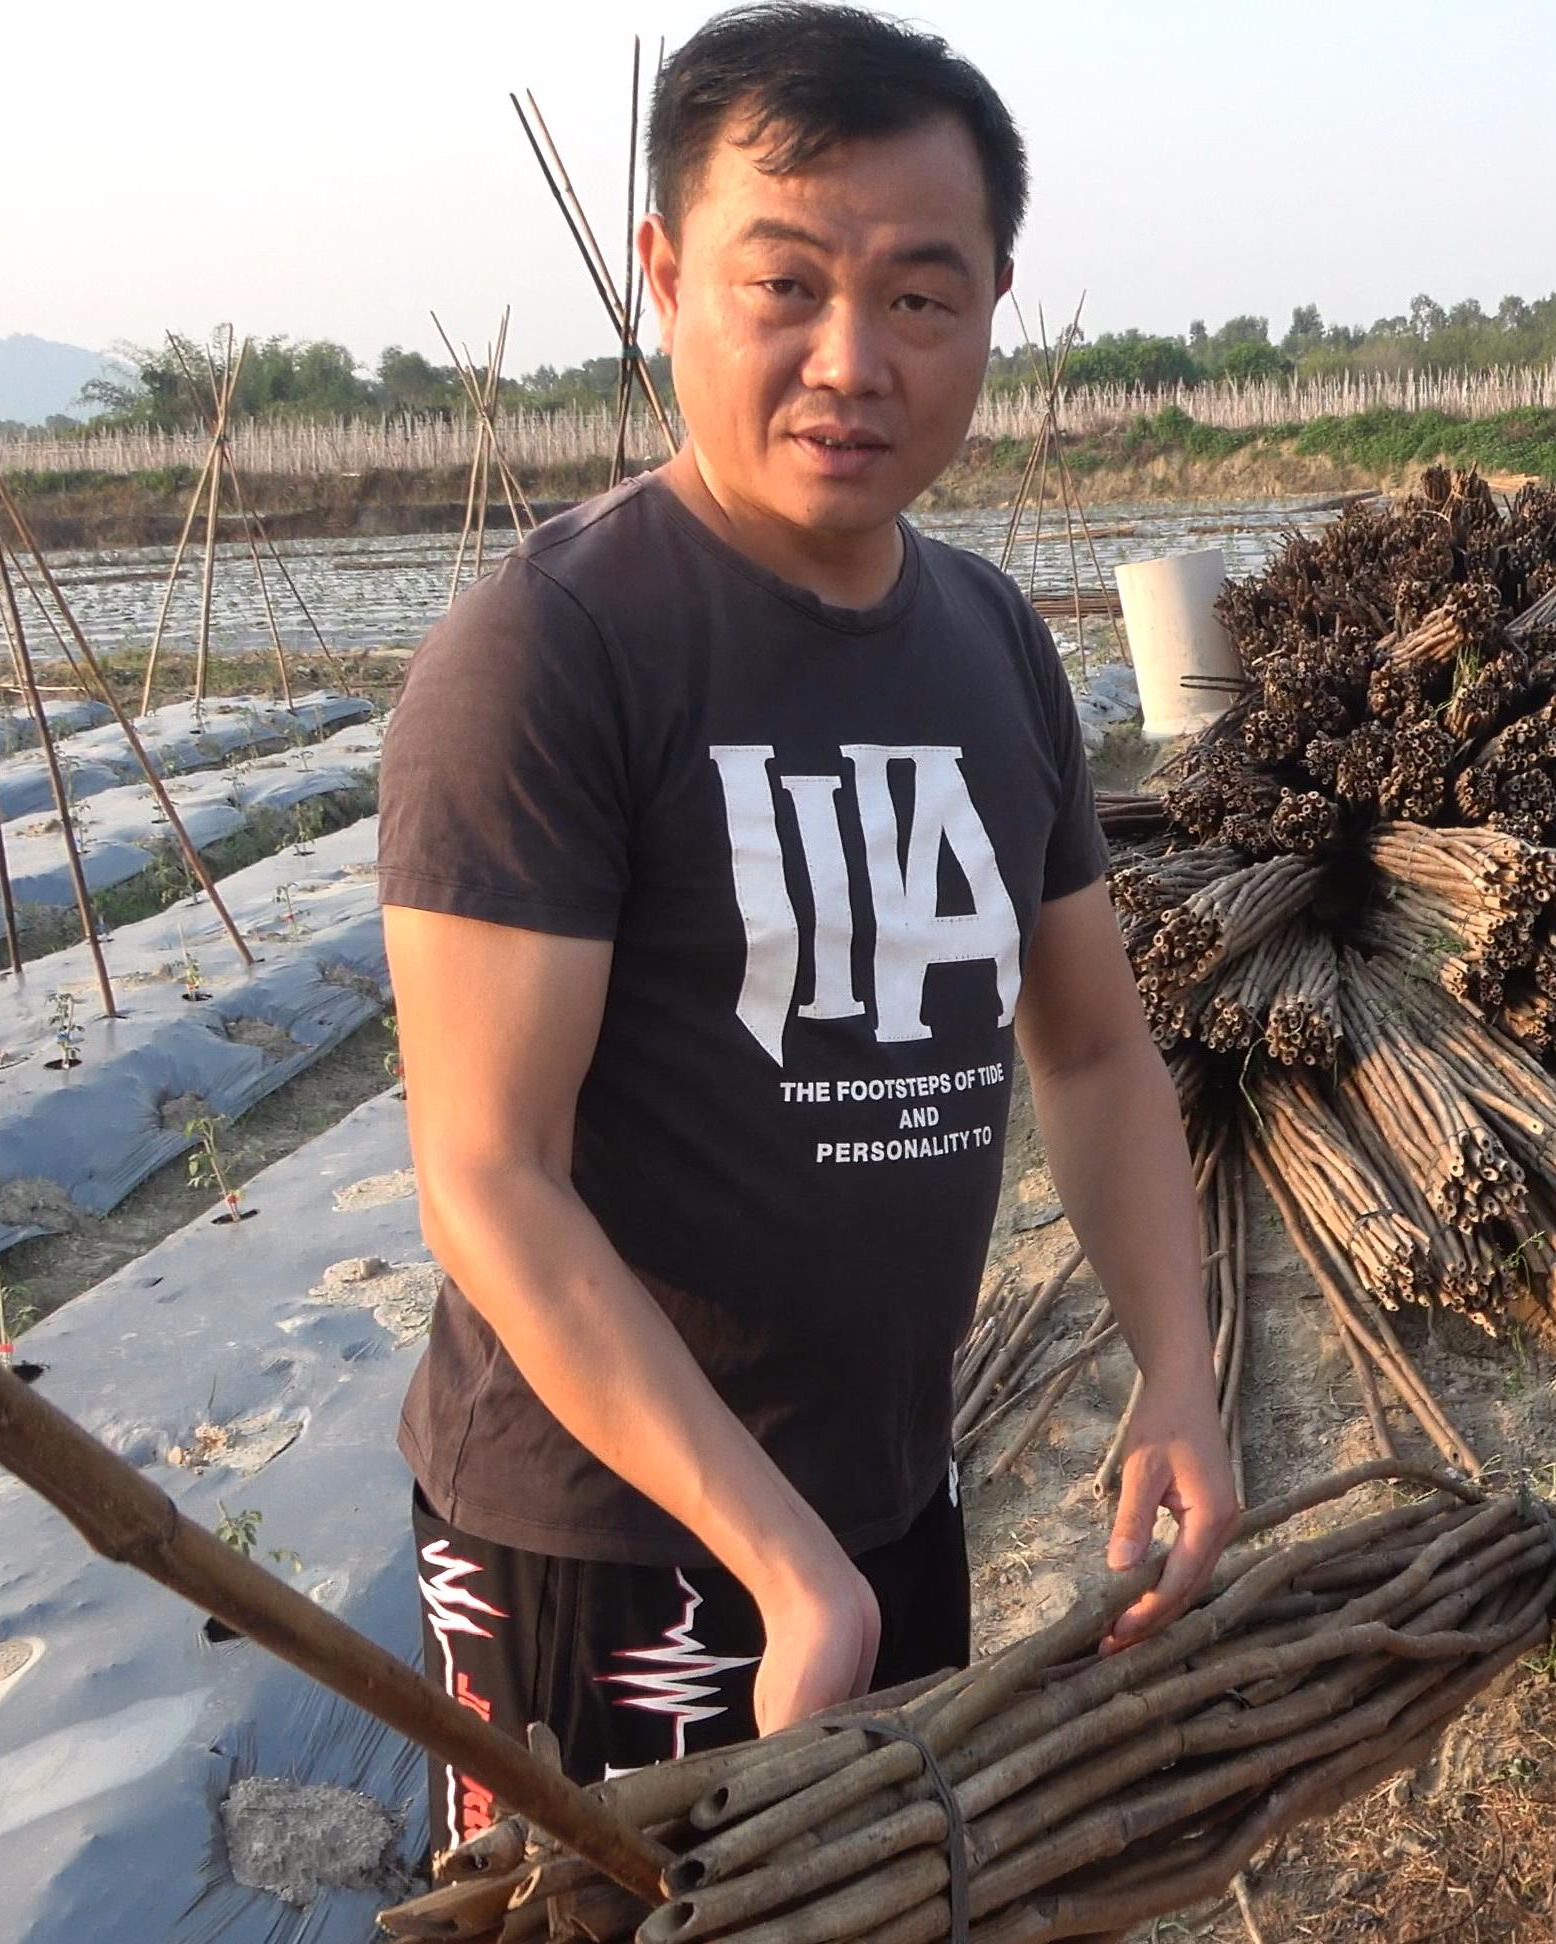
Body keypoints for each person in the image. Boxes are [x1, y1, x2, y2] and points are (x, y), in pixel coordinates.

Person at [376, 2, 1234, 1859]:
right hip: (610, 1537)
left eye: (922, 297)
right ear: (667, 274)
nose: (853, 359)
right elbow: (487, 1171)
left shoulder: (995, 645)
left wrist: (1178, 1364)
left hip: (880, 1502)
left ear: (997, 305)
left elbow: (1088, 1044)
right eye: (787, 284)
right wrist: (773, 1554)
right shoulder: (552, 655)